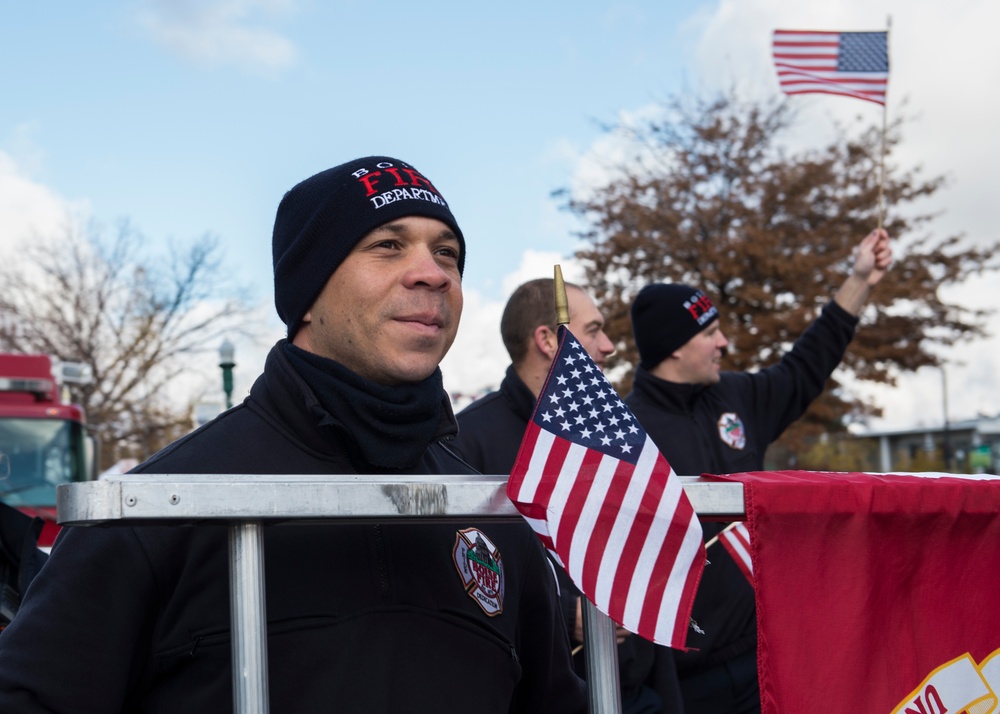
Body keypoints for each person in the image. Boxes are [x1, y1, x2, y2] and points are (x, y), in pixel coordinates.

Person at [0, 156, 587, 714]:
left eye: (448, 253)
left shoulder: (497, 514)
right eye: (387, 245)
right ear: (308, 292)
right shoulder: (156, 508)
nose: (433, 273)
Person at [625, 228, 893, 714]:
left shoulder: (738, 397)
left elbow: (807, 365)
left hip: (766, 659)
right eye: (710, 334)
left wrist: (860, 281)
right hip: (681, 681)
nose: (724, 343)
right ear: (675, 348)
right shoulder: (628, 432)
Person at [452, 277, 673, 714]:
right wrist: (562, 611)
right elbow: (462, 571)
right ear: (549, 340)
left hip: (637, 688)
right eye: (593, 330)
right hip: (544, 694)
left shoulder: (612, 432)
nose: (608, 345)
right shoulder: (466, 442)